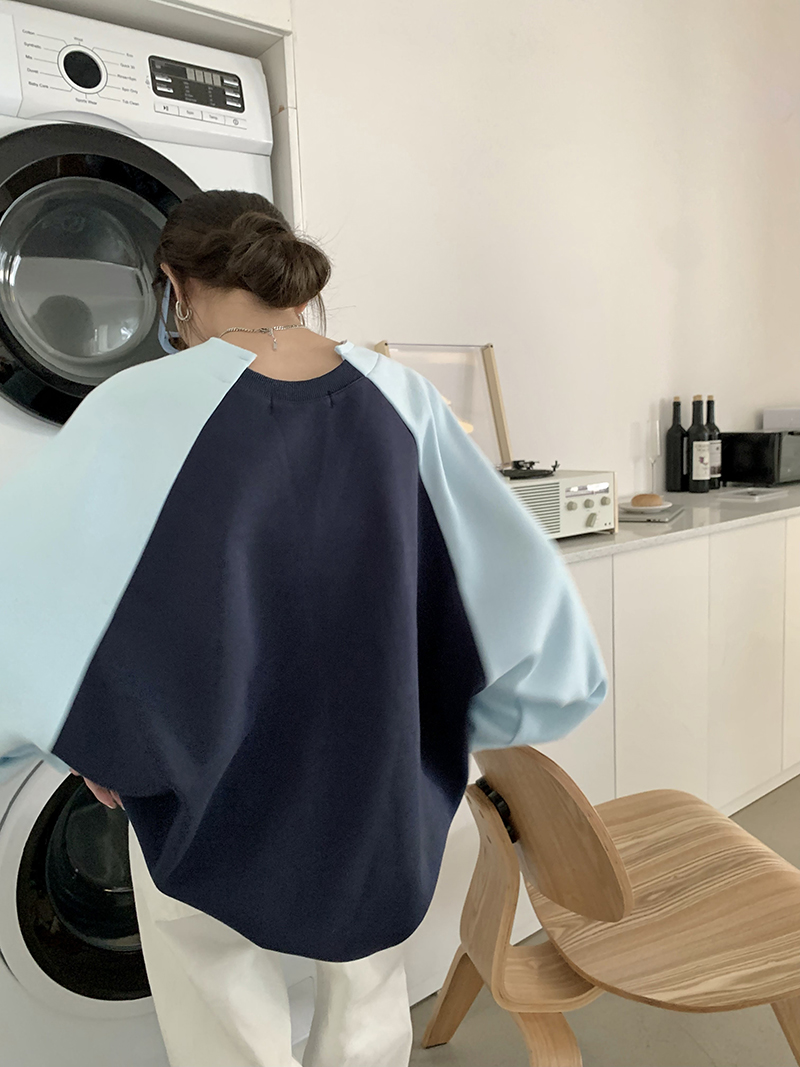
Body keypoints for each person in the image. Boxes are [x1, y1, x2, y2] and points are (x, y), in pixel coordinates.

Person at [0, 190, 607, 1067]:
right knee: (364, 988)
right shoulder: (405, 397)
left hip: (199, 770)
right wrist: (489, 715)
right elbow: (507, 585)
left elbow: (43, 591)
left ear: (175, 284)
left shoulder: (134, 406)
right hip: (375, 764)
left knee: (215, 992)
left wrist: (89, 740)